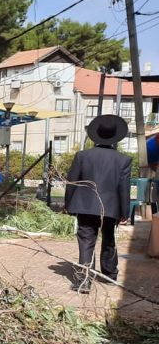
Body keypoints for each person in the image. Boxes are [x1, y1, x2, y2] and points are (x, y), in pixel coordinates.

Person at [64, 114, 132, 292]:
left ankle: (84, 279)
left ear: (96, 135)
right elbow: (124, 188)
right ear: (115, 137)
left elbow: (72, 182)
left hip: (85, 205)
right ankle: (109, 275)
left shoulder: (82, 156)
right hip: (111, 207)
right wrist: (125, 212)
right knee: (109, 239)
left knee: (86, 240)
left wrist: (68, 204)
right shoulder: (123, 160)